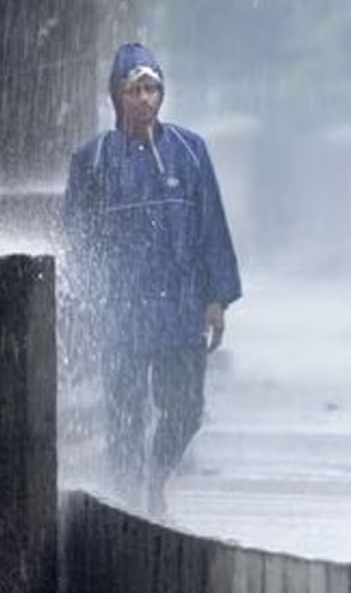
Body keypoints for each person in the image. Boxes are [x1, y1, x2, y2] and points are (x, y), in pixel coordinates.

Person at [62, 43, 242, 517]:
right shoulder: (93, 159)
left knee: (184, 412)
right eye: (134, 89)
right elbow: (76, 239)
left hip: (180, 309)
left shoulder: (189, 151)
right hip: (120, 312)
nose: (145, 99)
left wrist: (216, 297)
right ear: (116, 97)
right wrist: (84, 301)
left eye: (152, 88)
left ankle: (155, 480)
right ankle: (128, 505)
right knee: (124, 419)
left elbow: (211, 227)